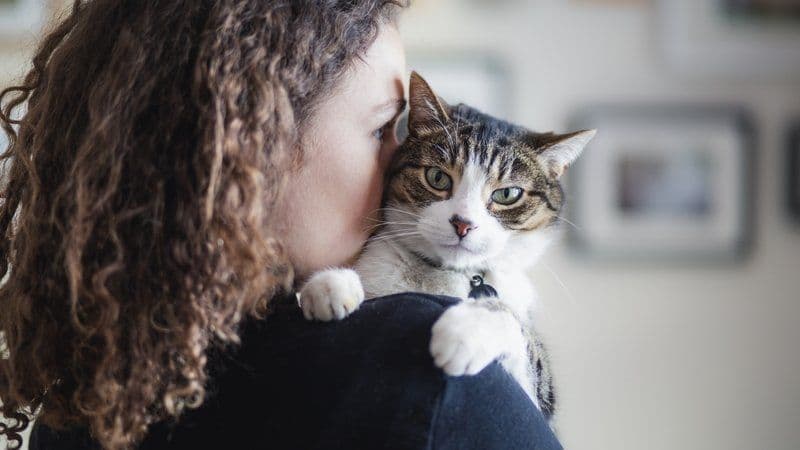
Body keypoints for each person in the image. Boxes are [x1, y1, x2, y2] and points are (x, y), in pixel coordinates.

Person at [0, 1, 563, 449]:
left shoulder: (87, 392)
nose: (404, 162)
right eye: (384, 131)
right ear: (254, 152)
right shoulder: (434, 373)